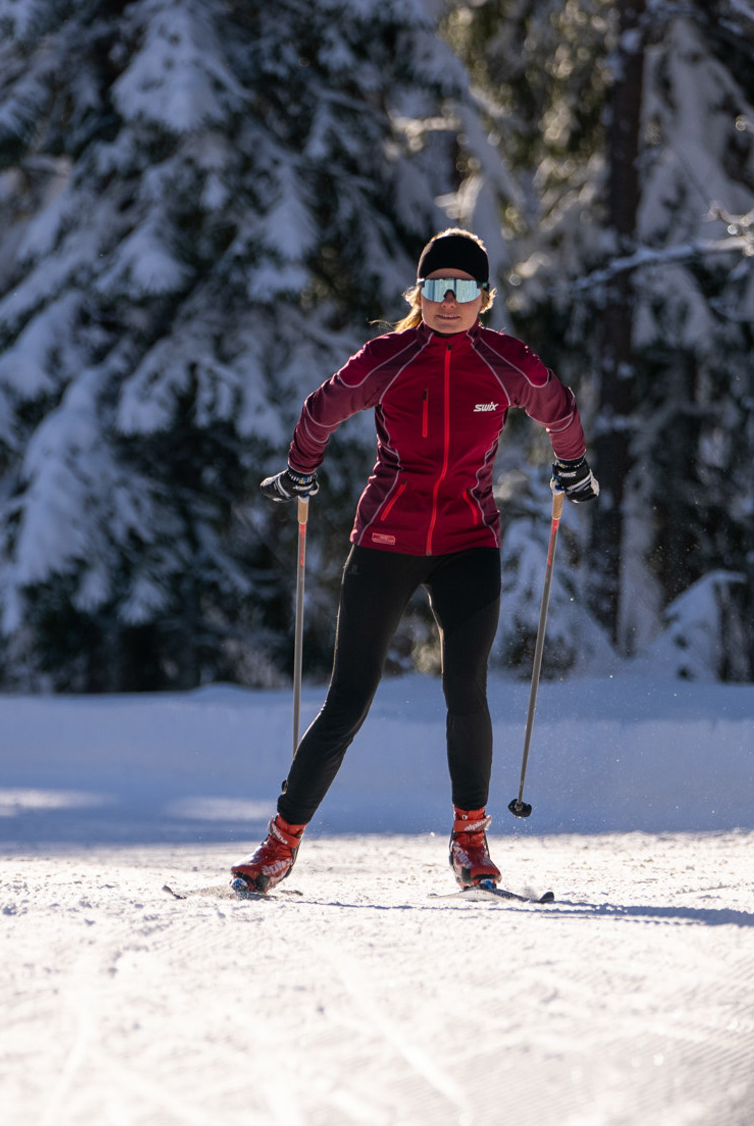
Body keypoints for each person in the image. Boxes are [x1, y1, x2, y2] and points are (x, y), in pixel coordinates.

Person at [232, 228, 597, 893]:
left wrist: (571, 462)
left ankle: (471, 841)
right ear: (419, 295)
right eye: (435, 289)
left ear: (485, 298)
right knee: (349, 699)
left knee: (466, 689)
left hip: (469, 543)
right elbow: (323, 407)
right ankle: (278, 845)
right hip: (385, 542)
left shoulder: (504, 362)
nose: (447, 302)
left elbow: (557, 405)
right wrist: (299, 468)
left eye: (462, 290)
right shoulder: (390, 356)